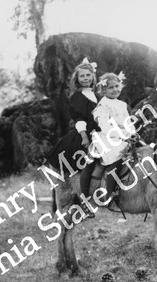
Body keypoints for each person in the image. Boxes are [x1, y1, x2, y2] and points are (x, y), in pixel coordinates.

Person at [46, 58, 99, 217]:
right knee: (85, 163)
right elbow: (80, 120)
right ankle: (84, 200)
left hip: (99, 131)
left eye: (88, 75)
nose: (85, 78)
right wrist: (84, 136)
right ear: (77, 79)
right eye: (82, 76)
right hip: (84, 134)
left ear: (92, 77)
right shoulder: (77, 97)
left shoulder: (96, 95)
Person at [87, 72, 134, 208]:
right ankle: (109, 194)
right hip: (108, 138)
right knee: (116, 156)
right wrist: (123, 136)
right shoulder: (103, 105)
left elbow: (127, 123)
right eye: (111, 87)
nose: (115, 90)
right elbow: (105, 126)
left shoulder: (122, 104)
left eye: (117, 86)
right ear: (103, 90)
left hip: (124, 136)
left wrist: (132, 134)